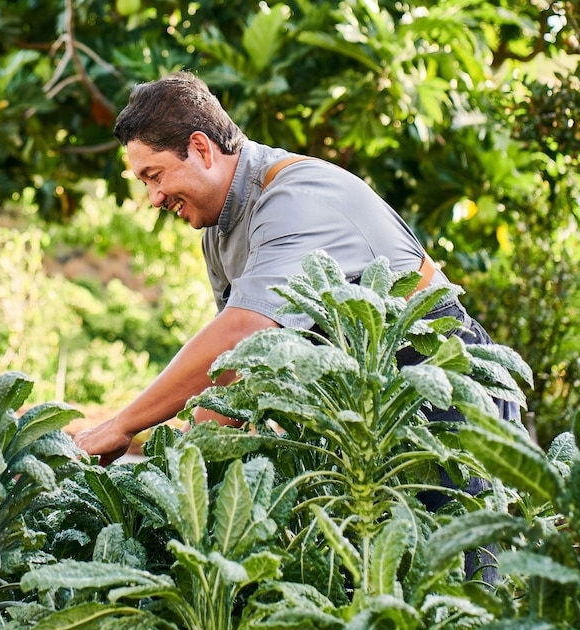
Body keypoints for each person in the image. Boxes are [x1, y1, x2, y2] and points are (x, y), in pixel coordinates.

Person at [74, 71, 510, 466]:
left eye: (155, 175)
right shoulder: (218, 231)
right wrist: (180, 471)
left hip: (443, 373)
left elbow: (243, 334)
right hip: (367, 404)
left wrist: (122, 425)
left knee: (458, 551)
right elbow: (233, 372)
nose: (153, 197)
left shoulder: (293, 197)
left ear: (201, 148)